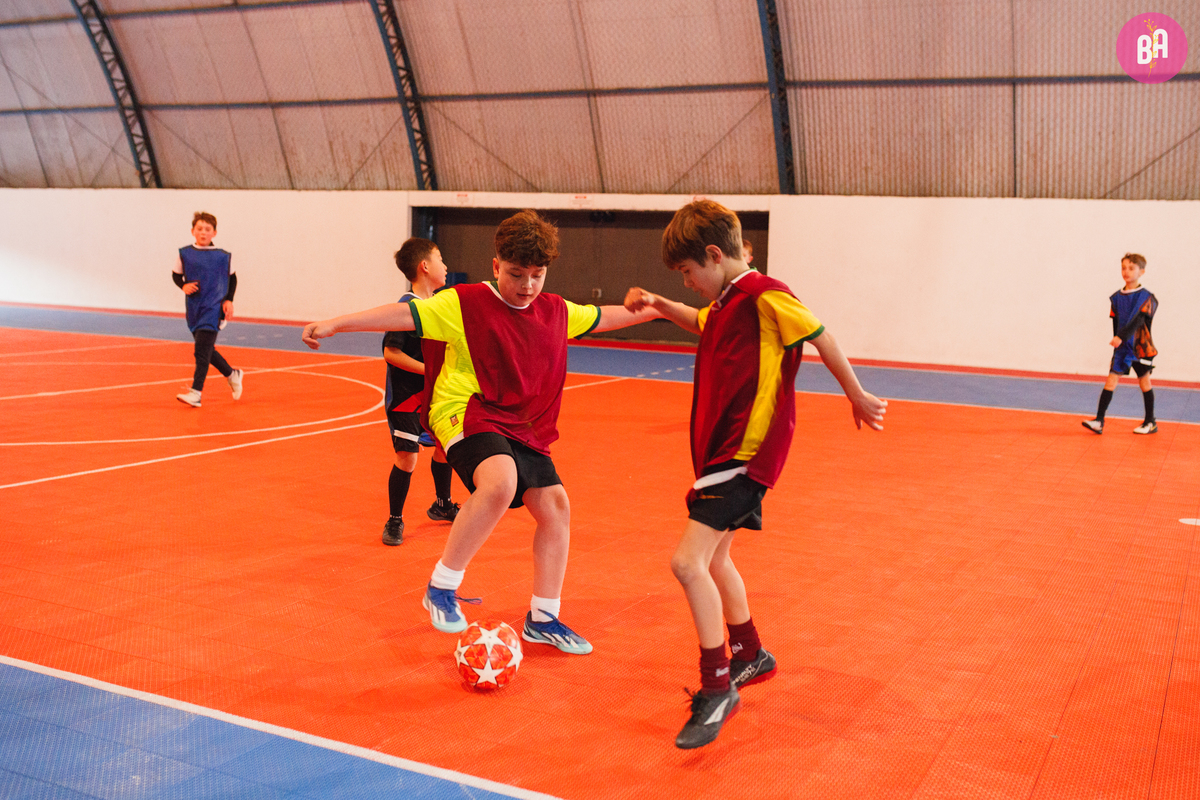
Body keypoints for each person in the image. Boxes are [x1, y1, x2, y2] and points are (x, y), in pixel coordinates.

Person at [303, 210, 662, 655]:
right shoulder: (463, 302)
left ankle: (543, 618)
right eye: (516, 274)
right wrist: (337, 323)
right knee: (500, 482)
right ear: (496, 266)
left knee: (555, 507)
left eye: (537, 274)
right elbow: (403, 314)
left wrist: (653, 310)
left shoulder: (554, 310)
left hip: (522, 422)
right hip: (466, 409)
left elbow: (600, 317)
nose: (527, 285)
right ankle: (441, 586)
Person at [624, 199, 887, 749]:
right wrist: (658, 302)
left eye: (688, 272)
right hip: (721, 455)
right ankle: (751, 653)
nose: (688, 282)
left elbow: (821, 335)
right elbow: (699, 320)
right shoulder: (724, 303)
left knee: (686, 561)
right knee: (716, 557)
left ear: (715, 255)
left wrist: (857, 395)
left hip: (746, 454)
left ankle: (717, 685)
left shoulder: (765, 294)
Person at [381, 238, 460, 546]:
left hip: (436, 395)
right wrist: (431, 371)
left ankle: (442, 504)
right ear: (424, 267)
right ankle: (395, 520)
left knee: (444, 449)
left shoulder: (440, 305)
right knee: (407, 457)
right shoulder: (407, 307)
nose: (446, 265)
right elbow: (391, 353)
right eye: (440, 258)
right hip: (406, 397)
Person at [1082, 253, 1159, 435]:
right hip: (1122, 348)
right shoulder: (1116, 298)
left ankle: (1151, 422)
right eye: (1124, 268)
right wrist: (1118, 340)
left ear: (1142, 272)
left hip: (1140, 347)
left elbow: (1139, 321)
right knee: (1111, 380)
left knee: (1144, 382)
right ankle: (1099, 421)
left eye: (1131, 268)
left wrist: (1121, 337)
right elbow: (1116, 323)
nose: (1126, 271)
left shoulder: (1147, 297)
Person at [173, 212, 242, 408]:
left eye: (207, 229)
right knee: (206, 350)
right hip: (195, 308)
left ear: (214, 233)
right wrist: (183, 286)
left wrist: (229, 300)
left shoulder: (222, 256)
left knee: (201, 352)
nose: (203, 233)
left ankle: (196, 392)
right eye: (200, 229)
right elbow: (176, 275)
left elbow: (233, 278)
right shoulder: (184, 253)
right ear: (193, 231)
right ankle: (232, 374)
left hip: (214, 308)